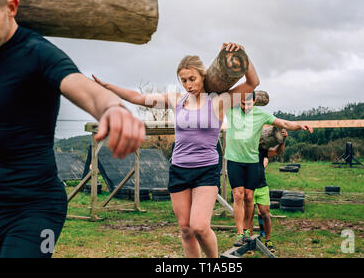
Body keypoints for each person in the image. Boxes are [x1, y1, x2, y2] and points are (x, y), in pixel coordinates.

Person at [0, 0, 145, 258]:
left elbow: (82, 86)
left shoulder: (38, 53)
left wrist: (113, 109)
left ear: (11, 7)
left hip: (38, 210)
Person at [92, 42, 260, 258]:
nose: (188, 85)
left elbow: (253, 82)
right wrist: (107, 86)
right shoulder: (177, 100)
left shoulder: (219, 100)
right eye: (184, 80)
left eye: (192, 79)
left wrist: (242, 55)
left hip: (206, 170)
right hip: (179, 170)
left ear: (203, 76)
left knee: (199, 226)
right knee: (186, 230)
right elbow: (138, 98)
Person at [225, 92, 313, 246]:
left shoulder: (261, 114)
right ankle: (240, 233)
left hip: (252, 161)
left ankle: (247, 229)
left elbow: (284, 124)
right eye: (243, 104)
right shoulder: (230, 110)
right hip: (234, 160)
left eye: (249, 104)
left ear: (255, 101)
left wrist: (299, 126)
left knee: (249, 197)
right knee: (238, 195)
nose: (245, 107)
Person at [253, 129, 288, 252]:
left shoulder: (262, 151)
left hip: (262, 186)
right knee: (248, 215)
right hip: (248, 187)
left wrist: (283, 140)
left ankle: (268, 241)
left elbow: (277, 151)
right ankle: (250, 242)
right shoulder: (245, 150)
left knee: (265, 213)